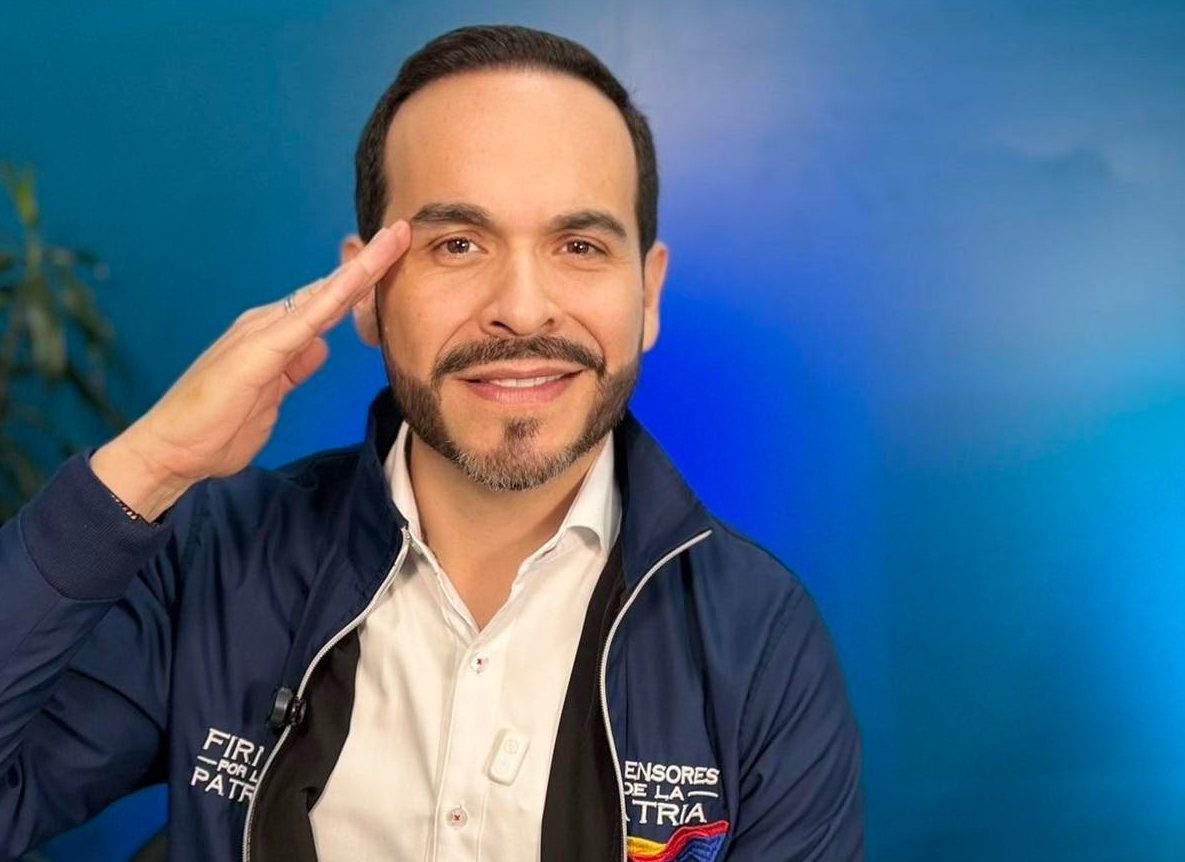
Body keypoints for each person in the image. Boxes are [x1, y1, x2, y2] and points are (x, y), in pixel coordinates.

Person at [0, 23, 863, 862]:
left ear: (648, 292)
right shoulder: (213, 559)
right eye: (457, 243)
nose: (521, 310)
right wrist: (148, 466)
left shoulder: (760, 638)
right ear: (364, 291)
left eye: (578, 245)